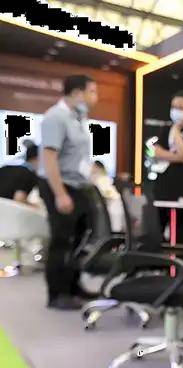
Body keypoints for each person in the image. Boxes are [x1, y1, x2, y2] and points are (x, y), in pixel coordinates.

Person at [39, 74, 98, 310]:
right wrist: (60, 193)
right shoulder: (55, 117)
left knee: (79, 239)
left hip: (78, 185)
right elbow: (49, 157)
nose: (95, 97)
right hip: (59, 184)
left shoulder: (78, 117)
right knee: (62, 240)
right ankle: (57, 294)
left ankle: (74, 286)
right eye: (92, 91)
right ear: (77, 93)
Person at [0, 140, 39, 205]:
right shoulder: (29, 174)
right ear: (38, 159)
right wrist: (34, 206)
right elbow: (19, 200)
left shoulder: (6, 168)